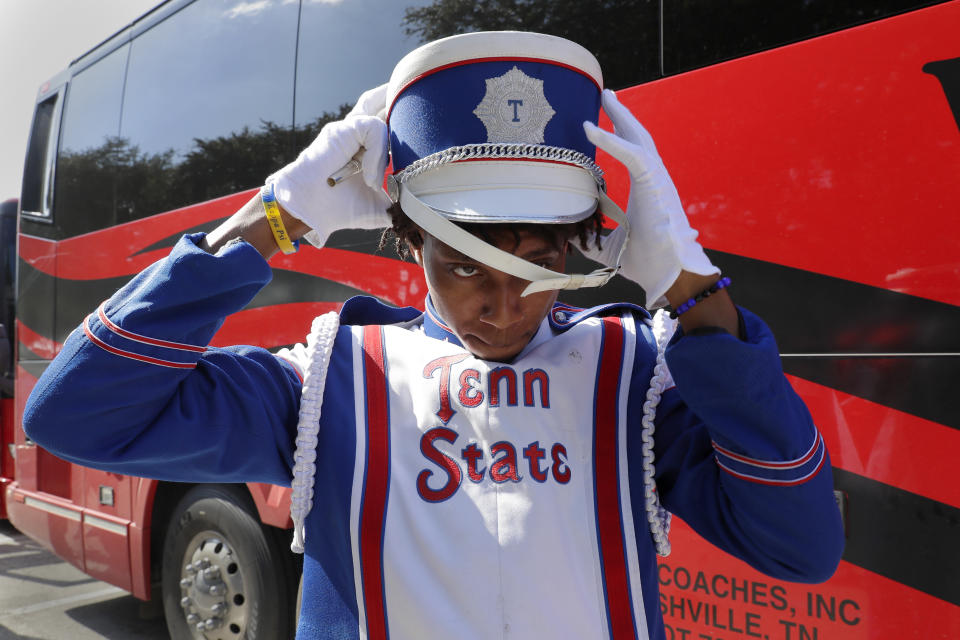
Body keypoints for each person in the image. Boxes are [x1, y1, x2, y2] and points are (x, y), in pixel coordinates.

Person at [23, 31, 843, 640]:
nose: (505, 302)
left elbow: (800, 547)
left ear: (581, 246)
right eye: (466, 266)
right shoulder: (329, 379)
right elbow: (78, 416)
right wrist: (268, 223)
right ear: (407, 242)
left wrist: (690, 287)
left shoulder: (635, 377)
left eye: (540, 260)